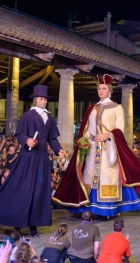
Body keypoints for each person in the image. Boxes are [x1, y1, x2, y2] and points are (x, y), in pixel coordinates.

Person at [53, 74, 140, 217]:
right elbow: (86, 130)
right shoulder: (91, 109)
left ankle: (106, 210)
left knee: (106, 176)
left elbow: (120, 129)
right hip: (92, 149)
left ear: (110, 91)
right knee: (89, 175)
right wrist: (83, 140)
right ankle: (89, 209)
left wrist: (108, 135)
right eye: (99, 88)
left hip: (108, 149)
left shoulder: (117, 108)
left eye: (104, 88)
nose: (101, 91)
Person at [0, 85, 66, 237]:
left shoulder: (49, 118)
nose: (43, 101)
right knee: (24, 191)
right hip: (27, 159)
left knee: (39, 192)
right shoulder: (28, 116)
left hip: (42, 161)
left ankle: (34, 226)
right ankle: (18, 224)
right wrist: (27, 140)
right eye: (41, 99)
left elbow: (52, 139)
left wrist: (59, 150)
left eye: (45, 99)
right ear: (35, 100)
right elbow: (19, 134)